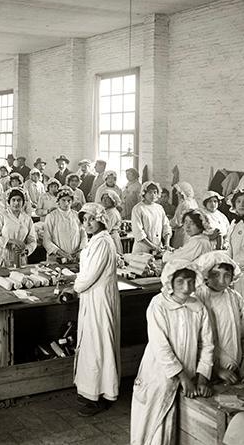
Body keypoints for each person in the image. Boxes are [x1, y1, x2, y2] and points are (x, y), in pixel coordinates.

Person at [130, 260, 214, 445]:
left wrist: (202, 377)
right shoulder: (158, 304)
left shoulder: (198, 307)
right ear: (170, 282)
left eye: (191, 281)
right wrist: (182, 377)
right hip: (158, 375)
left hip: (189, 376)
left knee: (177, 424)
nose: (186, 287)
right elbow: (161, 346)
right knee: (153, 424)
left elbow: (207, 344)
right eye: (180, 282)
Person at [73, 203, 120, 417]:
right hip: (91, 297)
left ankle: (103, 393)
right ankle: (90, 390)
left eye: (91, 219)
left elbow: (90, 275)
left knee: (100, 345)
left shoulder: (104, 242)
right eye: (84, 220)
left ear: (100, 219)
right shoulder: (95, 241)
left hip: (100, 299)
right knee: (92, 344)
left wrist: (75, 286)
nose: (87, 223)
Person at [193, 251, 244, 384]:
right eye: (215, 275)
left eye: (227, 276)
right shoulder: (198, 298)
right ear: (205, 274)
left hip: (235, 370)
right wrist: (217, 369)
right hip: (206, 373)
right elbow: (196, 341)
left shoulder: (235, 298)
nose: (222, 281)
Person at [0, 188, 37, 268]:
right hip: (2, 258)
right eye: (13, 200)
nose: (16, 203)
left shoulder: (27, 219)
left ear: (23, 202)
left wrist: (25, 250)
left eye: (19, 200)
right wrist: (11, 241)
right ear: (9, 202)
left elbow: (32, 241)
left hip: (20, 259)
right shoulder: (1, 215)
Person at [43, 186, 85, 263]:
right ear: (58, 201)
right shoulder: (51, 216)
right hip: (57, 258)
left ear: (72, 202)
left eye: (69, 200)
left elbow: (83, 235)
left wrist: (80, 251)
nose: (66, 203)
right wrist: (61, 253)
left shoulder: (77, 216)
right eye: (63, 200)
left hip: (74, 258)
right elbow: (46, 240)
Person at [131, 181, 172, 254]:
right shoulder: (138, 208)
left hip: (158, 248)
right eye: (150, 192)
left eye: (155, 192)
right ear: (144, 193)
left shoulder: (159, 208)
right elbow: (138, 232)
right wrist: (153, 246)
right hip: (142, 249)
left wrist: (167, 244)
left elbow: (166, 226)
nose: (153, 195)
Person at [170, 182, 198, 248]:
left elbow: (177, 222)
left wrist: (169, 222)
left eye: (178, 192)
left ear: (182, 193)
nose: (176, 194)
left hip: (183, 232)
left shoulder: (184, 204)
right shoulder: (193, 202)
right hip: (192, 232)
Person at [100, 190, 123, 255]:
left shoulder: (112, 213)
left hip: (111, 239)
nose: (104, 200)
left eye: (107, 199)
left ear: (113, 200)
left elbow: (106, 229)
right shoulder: (107, 211)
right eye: (103, 198)